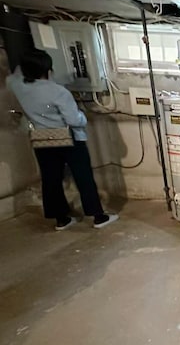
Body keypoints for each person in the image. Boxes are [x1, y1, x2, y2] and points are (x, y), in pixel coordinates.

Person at [7, 49, 118, 230]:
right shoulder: (58, 91)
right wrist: (83, 116)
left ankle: (61, 219)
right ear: (48, 69)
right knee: (83, 177)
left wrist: (26, 64)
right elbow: (74, 120)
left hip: (41, 139)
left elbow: (15, 74)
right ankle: (98, 216)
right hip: (68, 138)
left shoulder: (17, 86)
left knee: (51, 179)